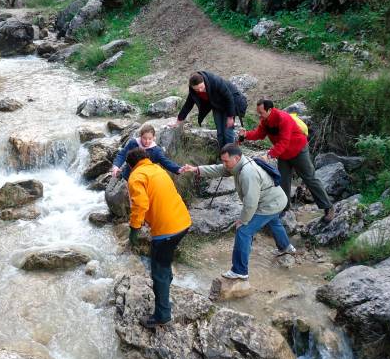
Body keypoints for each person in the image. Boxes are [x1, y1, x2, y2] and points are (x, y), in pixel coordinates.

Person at [181, 144, 295, 279]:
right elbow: (219, 170)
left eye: (226, 161)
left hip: (269, 204)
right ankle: (286, 248)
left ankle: (240, 271)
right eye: (223, 160)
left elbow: (250, 202)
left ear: (236, 158)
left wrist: (243, 220)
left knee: (243, 231)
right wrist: (196, 169)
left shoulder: (247, 173)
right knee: (273, 221)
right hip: (276, 199)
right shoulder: (238, 164)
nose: (224, 164)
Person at [239, 99, 335, 223]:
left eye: (261, 112)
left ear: (269, 110)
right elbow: (259, 134)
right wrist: (246, 135)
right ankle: (284, 208)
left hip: (298, 151)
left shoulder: (283, 119)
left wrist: (269, 155)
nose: (259, 115)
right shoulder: (265, 121)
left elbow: (284, 142)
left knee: (310, 178)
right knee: (283, 181)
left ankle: (328, 207)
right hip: (284, 154)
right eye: (258, 112)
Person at [126, 148, 191, 328]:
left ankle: (162, 315)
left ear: (130, 165)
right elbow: (157, 197)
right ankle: (166, 290)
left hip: (166, 231)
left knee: (159, 272)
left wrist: (134, 229)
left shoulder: (136, 176)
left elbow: (140, 204)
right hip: (183, 222)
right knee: (164, 263)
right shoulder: (156, 169)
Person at [171, 71, 247, 149]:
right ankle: (223, 153)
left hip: (229, 104)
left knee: (227, 131)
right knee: (220, 132)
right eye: (197, 89)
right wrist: (178, 121)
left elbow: (229, 98)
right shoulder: (193, 90)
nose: (200, 90)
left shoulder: (215, 81)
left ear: (204, 81)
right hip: (217, 105)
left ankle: (231, 154)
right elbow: (188, 105)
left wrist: (230, 117)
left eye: (201, 87)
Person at [112, 124, 182, 179]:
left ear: (154, 138)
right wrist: (116, 166)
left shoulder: (156, 151)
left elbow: (166, 162)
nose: (147, 141)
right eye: (144, 138)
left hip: (145, 177)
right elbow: (122, 154)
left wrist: (178, 169)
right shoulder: (133, 143)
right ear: (140, 136)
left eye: (150, 139)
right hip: (129, 174)